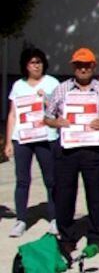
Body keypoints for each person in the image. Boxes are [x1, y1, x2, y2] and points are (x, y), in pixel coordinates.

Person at [43, 47, 99, 255]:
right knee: (65, 194)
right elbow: (47, 117)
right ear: (73, 67)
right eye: (79, 65)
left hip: (94, 148)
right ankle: (67, 238)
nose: (83, 69)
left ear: (94, 66)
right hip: (67, 148)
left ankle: (97, 238)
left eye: (87, 65)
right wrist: (56, 122)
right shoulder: (62, 89)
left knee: (97, 195)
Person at [5, 47, 60, 238]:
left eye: (39, 62)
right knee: (22, 180)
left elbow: (61, 110)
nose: (36, 66)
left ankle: (55, 219)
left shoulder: (52, 83)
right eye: (32, 63)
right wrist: (9, 141)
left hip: (46, 137)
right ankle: (21, 219)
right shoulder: (18, 86)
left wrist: (47, 101)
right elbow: (12, 114)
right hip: (23, 138)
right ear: (25, 66)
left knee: (51, 180)